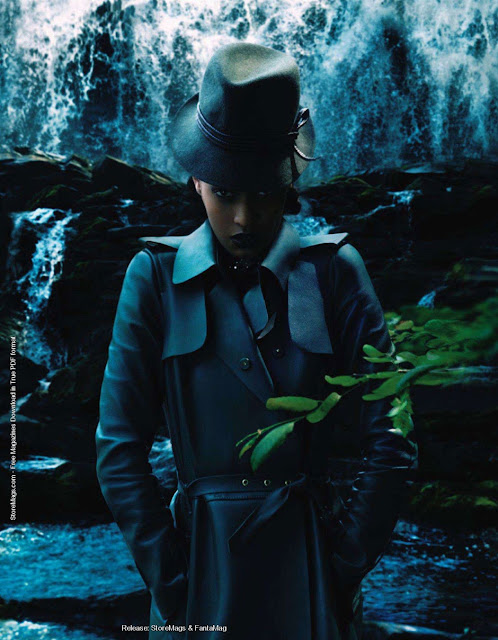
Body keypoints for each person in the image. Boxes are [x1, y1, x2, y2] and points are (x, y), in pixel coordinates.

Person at [95, 42, 417, 640]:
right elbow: (117, 449)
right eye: (225, 193)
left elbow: (392, 436)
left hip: (310, 576)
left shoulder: (336, 273)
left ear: (290, 180)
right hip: (198, 577)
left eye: (263, 193)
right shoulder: (153, 279)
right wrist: (175, 583)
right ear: (196, 179)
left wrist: (340, 566)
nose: (244, 218)